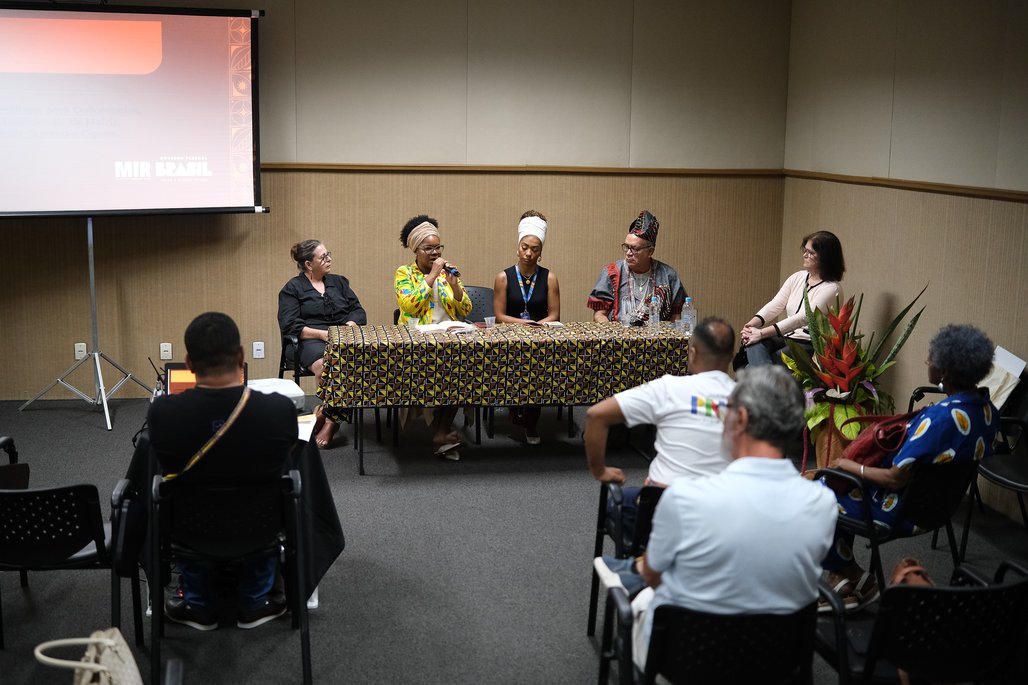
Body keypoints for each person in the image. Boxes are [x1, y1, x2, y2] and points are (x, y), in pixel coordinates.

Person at [594, 365, 837, 672]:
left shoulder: (685, 498)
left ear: (742, 419)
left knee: (639, 594)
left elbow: (653, 576)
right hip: (776, 660)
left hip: (685, 659)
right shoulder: (823, 503)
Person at [820, 323, 998, 610]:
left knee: (823, 490)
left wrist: (848, 465)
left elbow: (893, 479)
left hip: (899, 511)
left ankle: (845, 577)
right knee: (839, 485)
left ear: (944, 373)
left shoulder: (939, 421)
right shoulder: (987, 411)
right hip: (940, 508)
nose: (927, 361)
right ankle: (844, 576)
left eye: (931, 359)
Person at [148, 312, 298, 631]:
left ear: (188, 363)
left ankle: (198, 604)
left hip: (189, 530)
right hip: (261, 527)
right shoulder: (279, 411)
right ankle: (255, 602)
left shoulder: (162, 414)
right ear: (241, 356)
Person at [584, 317, 736, 533]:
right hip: (723, 518)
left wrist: (600, 471)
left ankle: (647, 559)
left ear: (692, 353)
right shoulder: (750, 400)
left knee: (618, 507)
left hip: (665, 510)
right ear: (731, 356)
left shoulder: (668, 388)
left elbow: (596, 415)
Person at [394, 215, 473, 458]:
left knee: (464, 371)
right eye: (429, 248)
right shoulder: (404, 273)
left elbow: (466, 309)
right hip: (417, 342)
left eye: (438, 247)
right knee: (439, 372)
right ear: (415, 250)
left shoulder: (448, 273)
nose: (435, 252)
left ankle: (441, 431)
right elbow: (408, 306)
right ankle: (441, 433)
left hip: (449, 339)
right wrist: (431, 276)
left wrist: (455, 285)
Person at [278, 239, 367, 448]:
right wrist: (322, 334)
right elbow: (290, 325)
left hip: (342, 337)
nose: (329, 259)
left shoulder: (339, 282)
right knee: (327, 365)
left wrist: (351, 324)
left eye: (329, 254)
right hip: (307, 340)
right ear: (309, 264)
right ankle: (331, 423)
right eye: (323, 257)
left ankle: (326, 414)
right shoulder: (292, 288)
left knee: (355, 362)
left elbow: (358, 310)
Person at [491, 210, 561, 444]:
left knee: (538, 367)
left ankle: (531, 422)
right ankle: (515, 409)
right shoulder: (503, 277)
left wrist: (537, 327)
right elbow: (500, 316)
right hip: (509, 338)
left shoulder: (550, 278)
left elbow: (554, 314)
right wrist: (524, 324)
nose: (529, 253)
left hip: (541, 339)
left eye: (535, 249)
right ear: (518, 247)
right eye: (525, 247)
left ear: (541, 252)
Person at [740, 230, 845, 366]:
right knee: (753, 343)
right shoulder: (798, 277)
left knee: (750, 369)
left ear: (825, 258)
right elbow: (776, 304)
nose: (804, 255)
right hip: (787, 337)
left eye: (810, 253)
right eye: (805, 250)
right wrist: (752, 325)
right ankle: (765, 379)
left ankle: (762, 379)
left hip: (809, 345)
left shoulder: (831, 289)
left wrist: (761, 333)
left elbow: (802, 318)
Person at [587, 210, 687, 325]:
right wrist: (612, 334)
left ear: (650, 251)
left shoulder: (668, 276)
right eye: (626, 247)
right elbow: (599, 314)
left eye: (635, 249)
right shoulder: (611, 272)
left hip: (656, 339)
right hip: (619, 338)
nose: (628, 253)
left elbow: (677, 316)